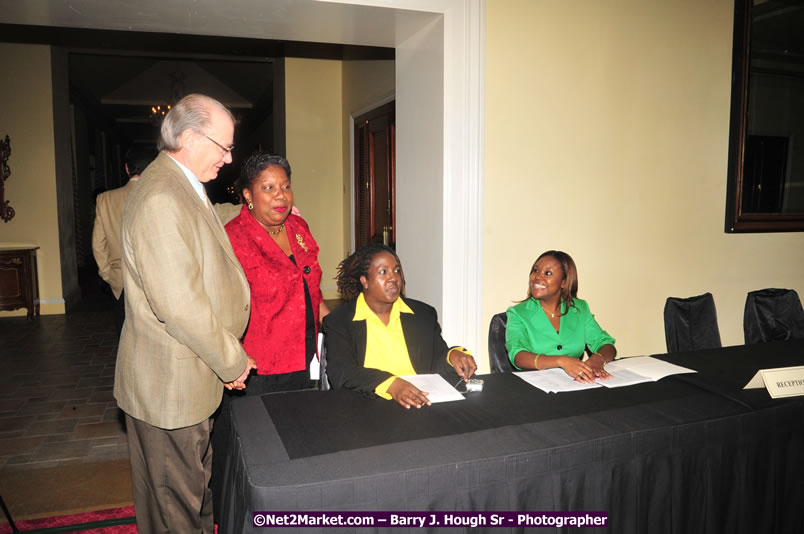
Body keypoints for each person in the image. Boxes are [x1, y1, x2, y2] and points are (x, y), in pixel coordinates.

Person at [114, 93, 256, 534]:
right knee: (173, 509)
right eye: (224, 147)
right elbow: (179, 307)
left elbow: (204, 225)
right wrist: (231, 360)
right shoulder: (161, 197)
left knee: (191, 493)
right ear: (191, 138)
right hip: (169, 386)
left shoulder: (180, 185)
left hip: (189, 377)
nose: (229, 159)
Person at [224, 152, 329, 394]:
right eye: (268, 188)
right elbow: (222, 306)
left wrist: (335, 326)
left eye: (286, 186)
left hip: (306, 353)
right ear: (248, 195)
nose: (280, 195)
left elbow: (311, 287)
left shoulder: (298, 226)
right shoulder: (234, 238)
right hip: (260, 366)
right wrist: (230, 360)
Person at [323, 244, 477, 409]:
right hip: (365, 407)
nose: (393, 278)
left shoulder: (422, 315)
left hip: (417, 405)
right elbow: (342, 372)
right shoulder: (339, 321)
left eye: (396, 271)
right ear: (365, 281)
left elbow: (435, 364)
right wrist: (391, 384)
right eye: (383, 272)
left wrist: (453, 356)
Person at [505, 250, 616, 383]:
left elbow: (605, 343)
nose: (537, 277)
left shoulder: (580, 309)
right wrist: (561, 361)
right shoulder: (518, 313)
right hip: (535, 388)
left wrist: (597, 360)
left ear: (564, 282)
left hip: (575, 385)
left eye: (548, 273)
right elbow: (518, 356)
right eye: (535, 271)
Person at [91, 146, 156, 335]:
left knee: (125, 336)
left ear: (127, 169)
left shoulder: (105, 199)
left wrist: (108, 275)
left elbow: (98, 245)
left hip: (120, 280)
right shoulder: (157, 196)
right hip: (154, 280)